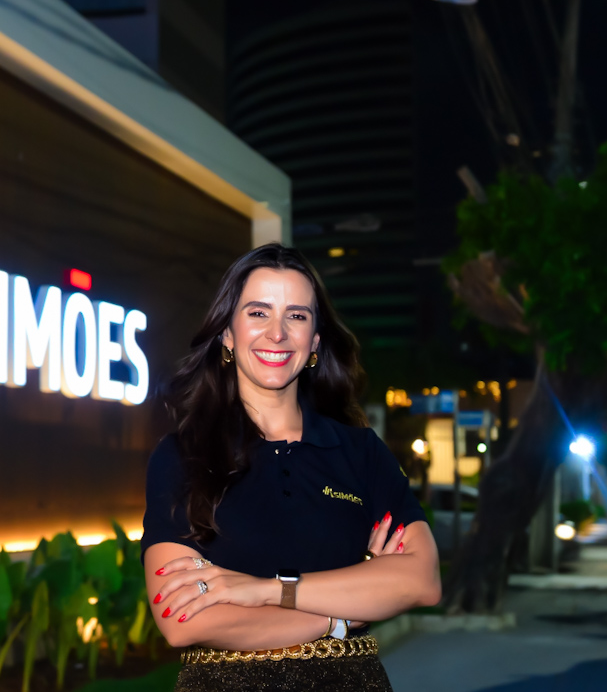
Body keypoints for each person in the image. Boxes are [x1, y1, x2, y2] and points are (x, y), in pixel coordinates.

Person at [141, 244, 441, 691]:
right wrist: (340, 615)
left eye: (296, 316)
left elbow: (421, 580)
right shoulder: (183, 456)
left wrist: (267, 590)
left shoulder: (359, 452)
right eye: (258, 313)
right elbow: (183, 620)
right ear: (227, 334)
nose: (277, 333)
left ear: (315, 341)